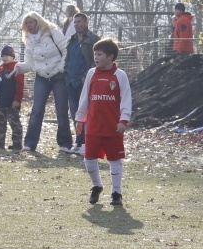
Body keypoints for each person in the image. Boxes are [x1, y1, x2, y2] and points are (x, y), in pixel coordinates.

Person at [75, 37, 132, 206]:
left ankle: (116, 192)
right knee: (89, 158)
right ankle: (97, 186)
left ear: (110, 56)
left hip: (113, 127)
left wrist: (124, 120)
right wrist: (80, 118)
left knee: (115, 160)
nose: (96, 57)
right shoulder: (92, 73)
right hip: (93, 125)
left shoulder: (120, 76)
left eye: (99, 54)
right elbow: (85, 98)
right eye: (95, 53)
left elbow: (126, 99)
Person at [14, 12, 72, 153]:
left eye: (32, 22)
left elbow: (66, 50)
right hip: (41, 77)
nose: (30, 25)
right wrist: (19, 67)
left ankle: (65, 143)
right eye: (27, 23)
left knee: (61, 109)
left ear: (38, 22)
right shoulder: (28, 41)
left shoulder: (52, 33)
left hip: (58, 75)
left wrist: (61, 68)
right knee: (37, 109)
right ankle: (30, 143)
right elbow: (29, 63)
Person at [64, 12, 98, 154]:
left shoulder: (94, 39)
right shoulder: (71, 40)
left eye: (79, 21)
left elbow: (96, 60)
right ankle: (78, 143)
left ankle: (87, 143)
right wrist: (66, 74)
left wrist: (87, 76)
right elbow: (68, 58)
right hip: (71, 81)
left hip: (85, 82)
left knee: (86, 114)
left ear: (86, 22)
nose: (77, 24)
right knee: (75, 114)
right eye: (75, 22)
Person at [0, 45, 24, 150]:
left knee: (15, 124)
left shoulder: (17, 68)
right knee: (0, 124)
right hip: (0, 101)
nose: (5, 58)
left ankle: (17, 143)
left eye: (7, 55)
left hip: (11, 103)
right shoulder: (0, 68)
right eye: (3, 55)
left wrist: (17, 100)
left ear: (12, 56)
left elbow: (20, 85)